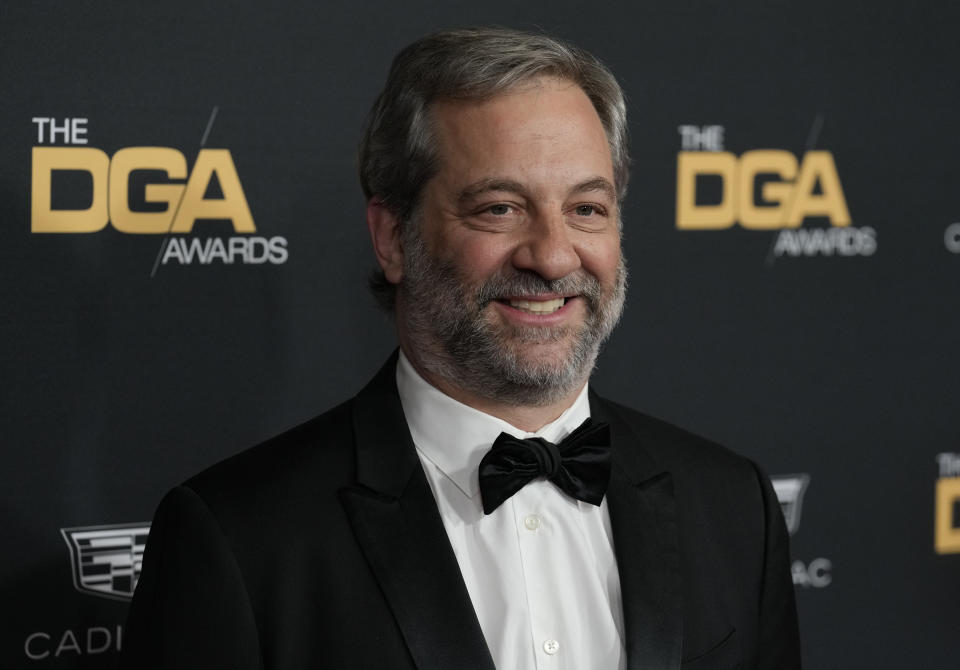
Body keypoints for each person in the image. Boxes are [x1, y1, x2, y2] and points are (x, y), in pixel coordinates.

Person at [120, 27, 800, 670]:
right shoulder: (240, 539)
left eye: (587, 208)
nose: (554, 254)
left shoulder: (733, 506)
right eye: (499, 208)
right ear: (392, 238)